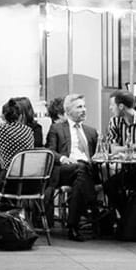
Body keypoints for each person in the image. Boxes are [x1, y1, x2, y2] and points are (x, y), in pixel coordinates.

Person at [45, 93, 99, 242]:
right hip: (65, 169)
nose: (84, 110)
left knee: (81, 175)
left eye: (84, 106)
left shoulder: (91, 131)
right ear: (68, 111)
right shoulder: (57, 128)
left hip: (86, 170)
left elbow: (96, 155)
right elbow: (50, 151)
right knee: (80, 169)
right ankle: (94, 211)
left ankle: (73, 226)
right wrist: (63, 158)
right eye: (79, 107)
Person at [0, 97, 36, 181]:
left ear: (3, 116)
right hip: (29, 179)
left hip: (8, 179)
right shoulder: (28, 130)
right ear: (20, 116)